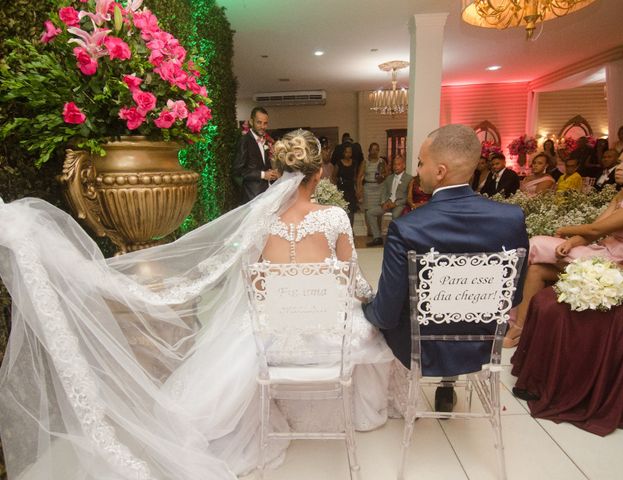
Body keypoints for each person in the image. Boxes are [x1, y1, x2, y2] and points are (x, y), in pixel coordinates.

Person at [0, 129, 393, 480]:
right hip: (326, 339)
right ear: (319, 173)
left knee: (236, 344)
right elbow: (353, 281)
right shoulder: (335, 218)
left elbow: (251, 282)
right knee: (375, 336)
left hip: (273, 336)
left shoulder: (258, 221)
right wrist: (364, 297)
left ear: (276, 173)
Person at [362, 124, 529, 412]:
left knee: (377, 319)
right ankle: (448, 384)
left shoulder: (407, 227)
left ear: (439, 171)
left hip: (419, 348)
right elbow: (512, 297)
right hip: (482, 344)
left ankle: (393, 398)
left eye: (421, 163)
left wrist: (366, 309)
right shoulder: (511, 218)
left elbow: (387, 314)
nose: (418, 171)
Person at [503, 145, 623, 348]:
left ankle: (499, 310)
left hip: (618, 260)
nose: (619, 167)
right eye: (619, 162)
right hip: (602, 248)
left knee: (535, 244)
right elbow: (596, 231)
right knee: (536, 269)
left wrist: (566, 229)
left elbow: (594, 230)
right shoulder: (621, 195)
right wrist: (571, 241)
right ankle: (519, 328)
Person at [510, 234, 623, 436]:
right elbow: (597, 228)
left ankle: (567, 387)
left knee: (559, 311)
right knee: (545, 302)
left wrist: (605, 268)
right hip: (622, 270)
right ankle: (538, 379)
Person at [233, 106, 279, 203]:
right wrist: (263, 175)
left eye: (265, 123)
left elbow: (262, 166)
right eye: (259, 122)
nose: (263, 126)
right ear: (251, 121)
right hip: (252, 197)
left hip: (266, 195)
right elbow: (238, 171)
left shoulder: (265, 141)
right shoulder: (244, 141)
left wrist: (272, 173)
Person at [364, 155, 412, 247]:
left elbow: (408, 197)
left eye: (398, 164)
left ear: (403, 165)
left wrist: (395, 203)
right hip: (387, 204)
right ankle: (377, 237)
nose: (396, 167)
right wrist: (383, 202)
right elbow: (384, 191)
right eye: (394, 164)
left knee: (395, 215)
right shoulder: (389, 178)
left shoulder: (409, 179)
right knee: (370, 212)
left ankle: (396, 240)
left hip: (399, 204)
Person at [357, 142, 387, 234]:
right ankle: (370, 232)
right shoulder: (365, 162)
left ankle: (377, 232)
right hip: (368, 189)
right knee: (368, 211)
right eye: (372, 149)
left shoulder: (382, 161)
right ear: (369, 150)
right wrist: (359, 190)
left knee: (378, 211)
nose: (374, 151)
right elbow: (359, 177)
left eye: (376, 149)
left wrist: (382, 176)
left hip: (379, 188)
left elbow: (387, 174)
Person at [331, 144, 358, 225]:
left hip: (351, 189)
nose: (348, 154)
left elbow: (355, 177)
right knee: (342, 210)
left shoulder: (354, 163)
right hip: (341, 189)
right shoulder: (338, 163)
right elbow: (333, 176)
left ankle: (351, 229)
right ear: (343, 153)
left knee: (351, 210)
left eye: (350, 152)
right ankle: (343, 229)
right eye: (346, 152)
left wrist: (357, 189)